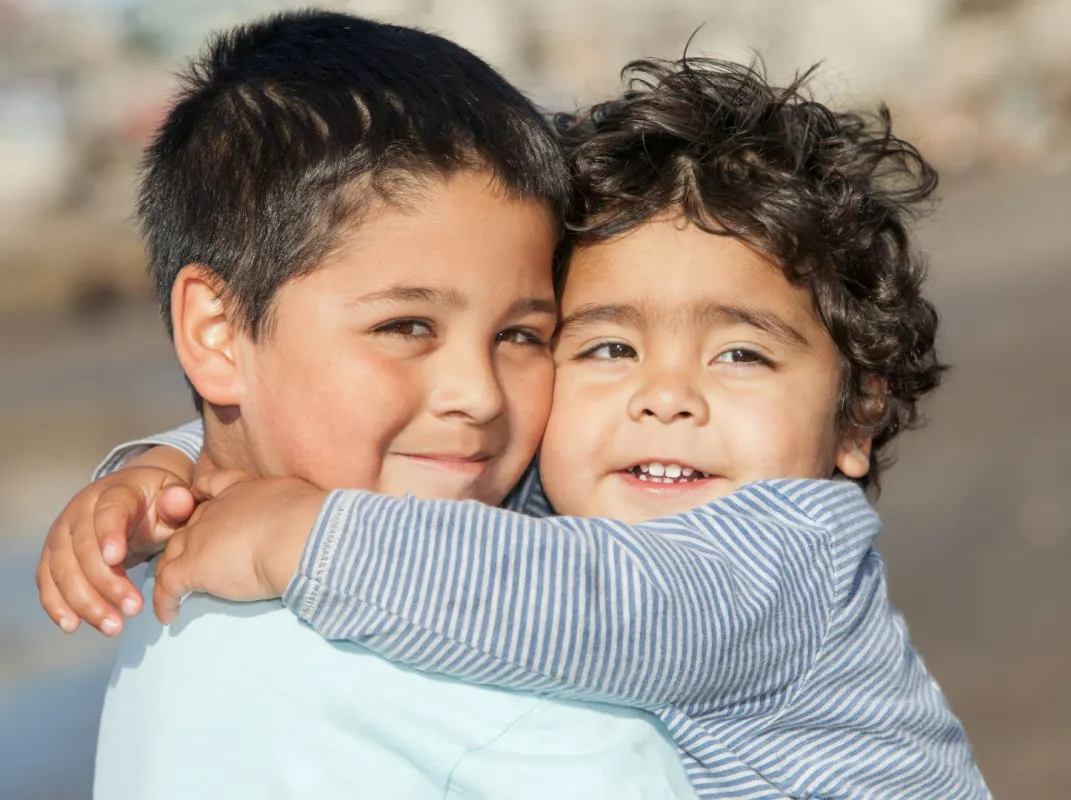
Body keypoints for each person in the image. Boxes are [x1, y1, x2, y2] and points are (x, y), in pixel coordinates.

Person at [38, 32, 992, 800]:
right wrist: (162, 476)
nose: (666, 398)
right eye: (606, 349)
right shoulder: (541, 499)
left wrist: (307, 538)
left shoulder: (784, 556)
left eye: (740, 354)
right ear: (218, 332)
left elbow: (585, 605)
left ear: (856, 416)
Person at [35, 10, 697, 799]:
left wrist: (167, 463)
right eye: (406, 327)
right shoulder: (509, 711)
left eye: (521, 335)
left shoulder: (188, 597)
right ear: (217, 333)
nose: (479, 394)